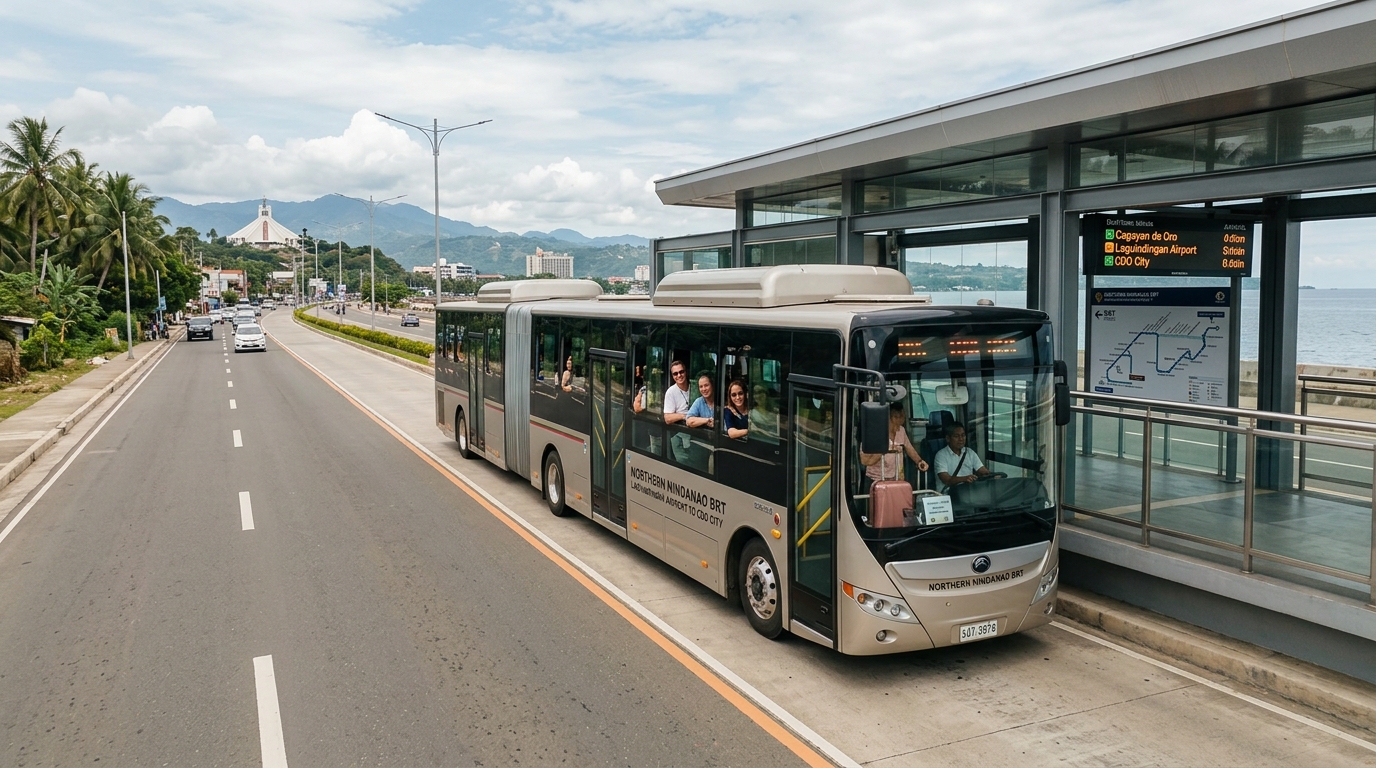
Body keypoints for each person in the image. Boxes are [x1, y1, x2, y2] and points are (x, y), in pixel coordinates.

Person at [859, 403, 929, 490]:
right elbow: (865, 461)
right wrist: (884, 449)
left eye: (902, 417)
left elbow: (909, 448)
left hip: (897, 479)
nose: (900, 421)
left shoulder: (901, 430)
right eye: (896, 417)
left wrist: (919, 461)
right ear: (887, 418)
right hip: (876, 481)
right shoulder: (874, 433)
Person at [934, 422, 991, 493]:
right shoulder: (941, 455)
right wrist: (965, 479)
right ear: (948, 438)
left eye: (963, 435)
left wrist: (991, 475)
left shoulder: (970, 452)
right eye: (956, 436)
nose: (961, 439)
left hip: (968, 494)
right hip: (948, 495)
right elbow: (946, 480)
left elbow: (982, 470)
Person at [663, 360, 691, 424]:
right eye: (675, 373)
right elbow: (667, 418)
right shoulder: (670, 392)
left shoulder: (695, 387)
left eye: (681, 372)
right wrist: (685, 416)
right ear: (672, 376)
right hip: (681, 428)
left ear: (686, 372)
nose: (679, 375)